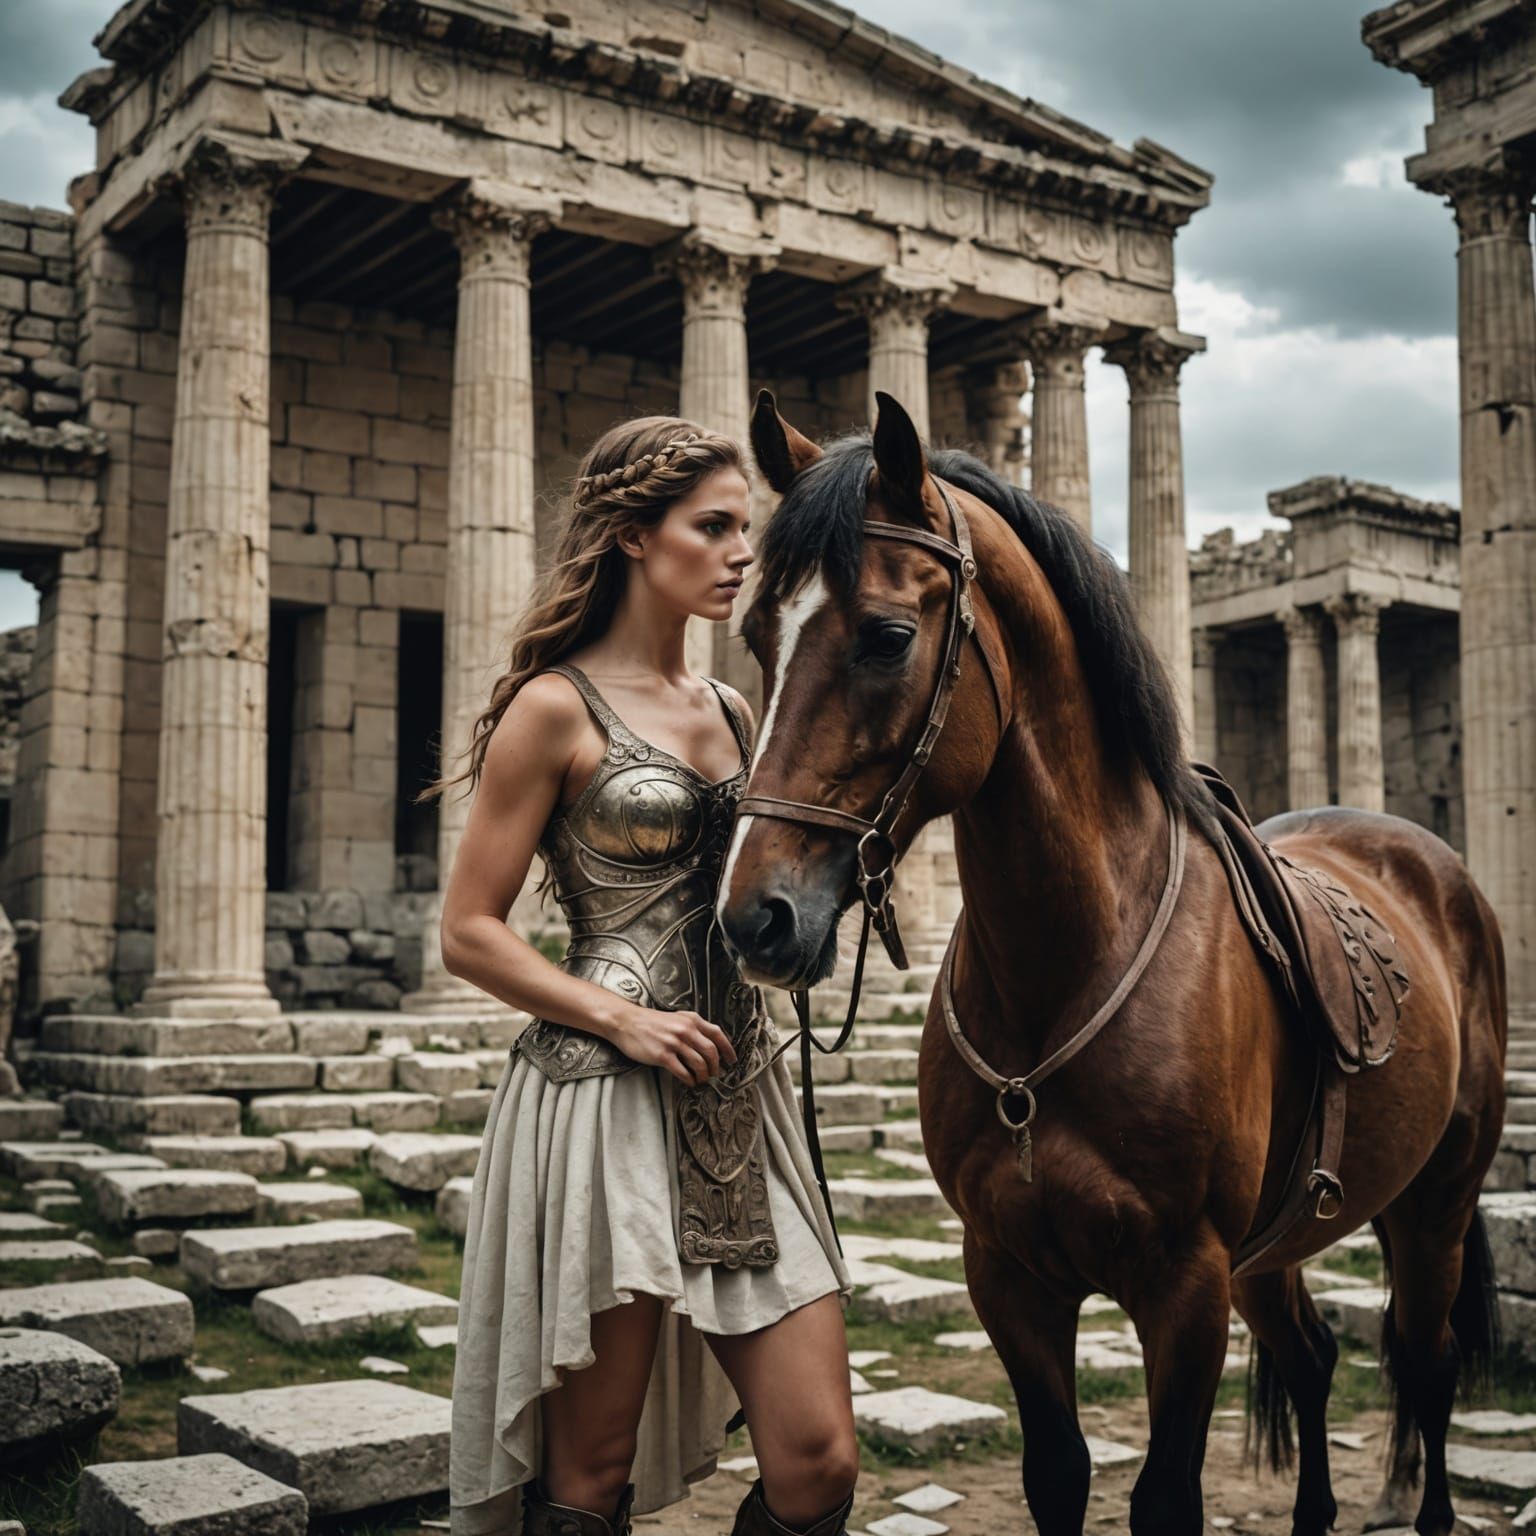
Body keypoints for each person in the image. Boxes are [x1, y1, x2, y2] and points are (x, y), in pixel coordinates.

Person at [424, 416, 858, 1536]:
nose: (738, 552)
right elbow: (469, 931)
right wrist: (623, 1018)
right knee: (589, 1472)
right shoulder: (554, 705)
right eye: (711, 527)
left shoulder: (735, 710)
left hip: (738, 1101)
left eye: (744, 529)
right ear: (631, 536)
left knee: (819, 1461)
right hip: (600, 1097)